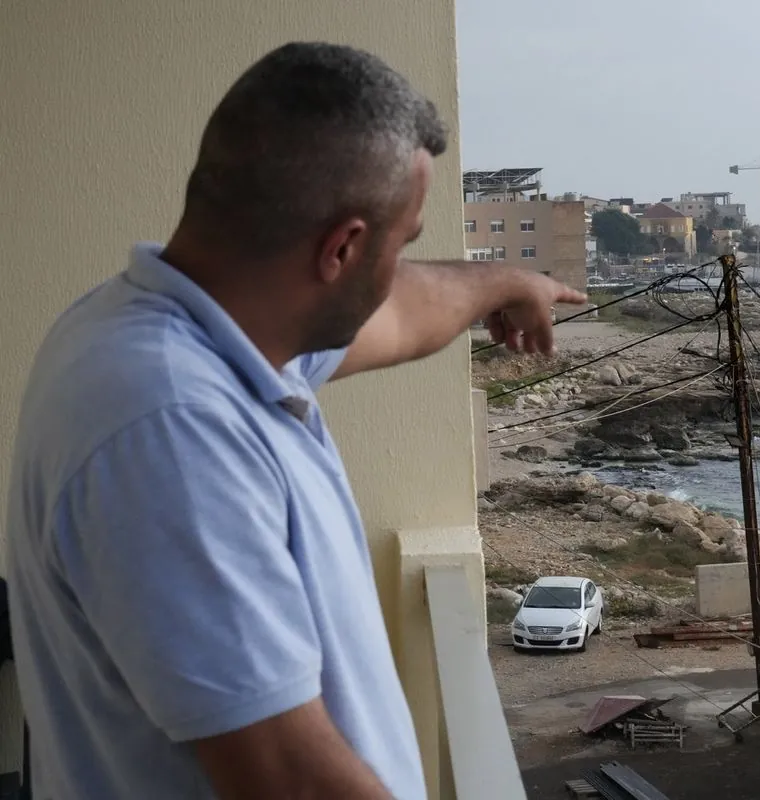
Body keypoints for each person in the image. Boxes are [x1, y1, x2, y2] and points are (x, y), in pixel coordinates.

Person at [5, 42, 584, 800]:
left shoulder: (180, 332)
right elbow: (294, 782)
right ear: (341, 248)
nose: (401, 267)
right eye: (401, 240)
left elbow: (408, 309)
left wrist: (508, 280)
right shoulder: (172, 428)